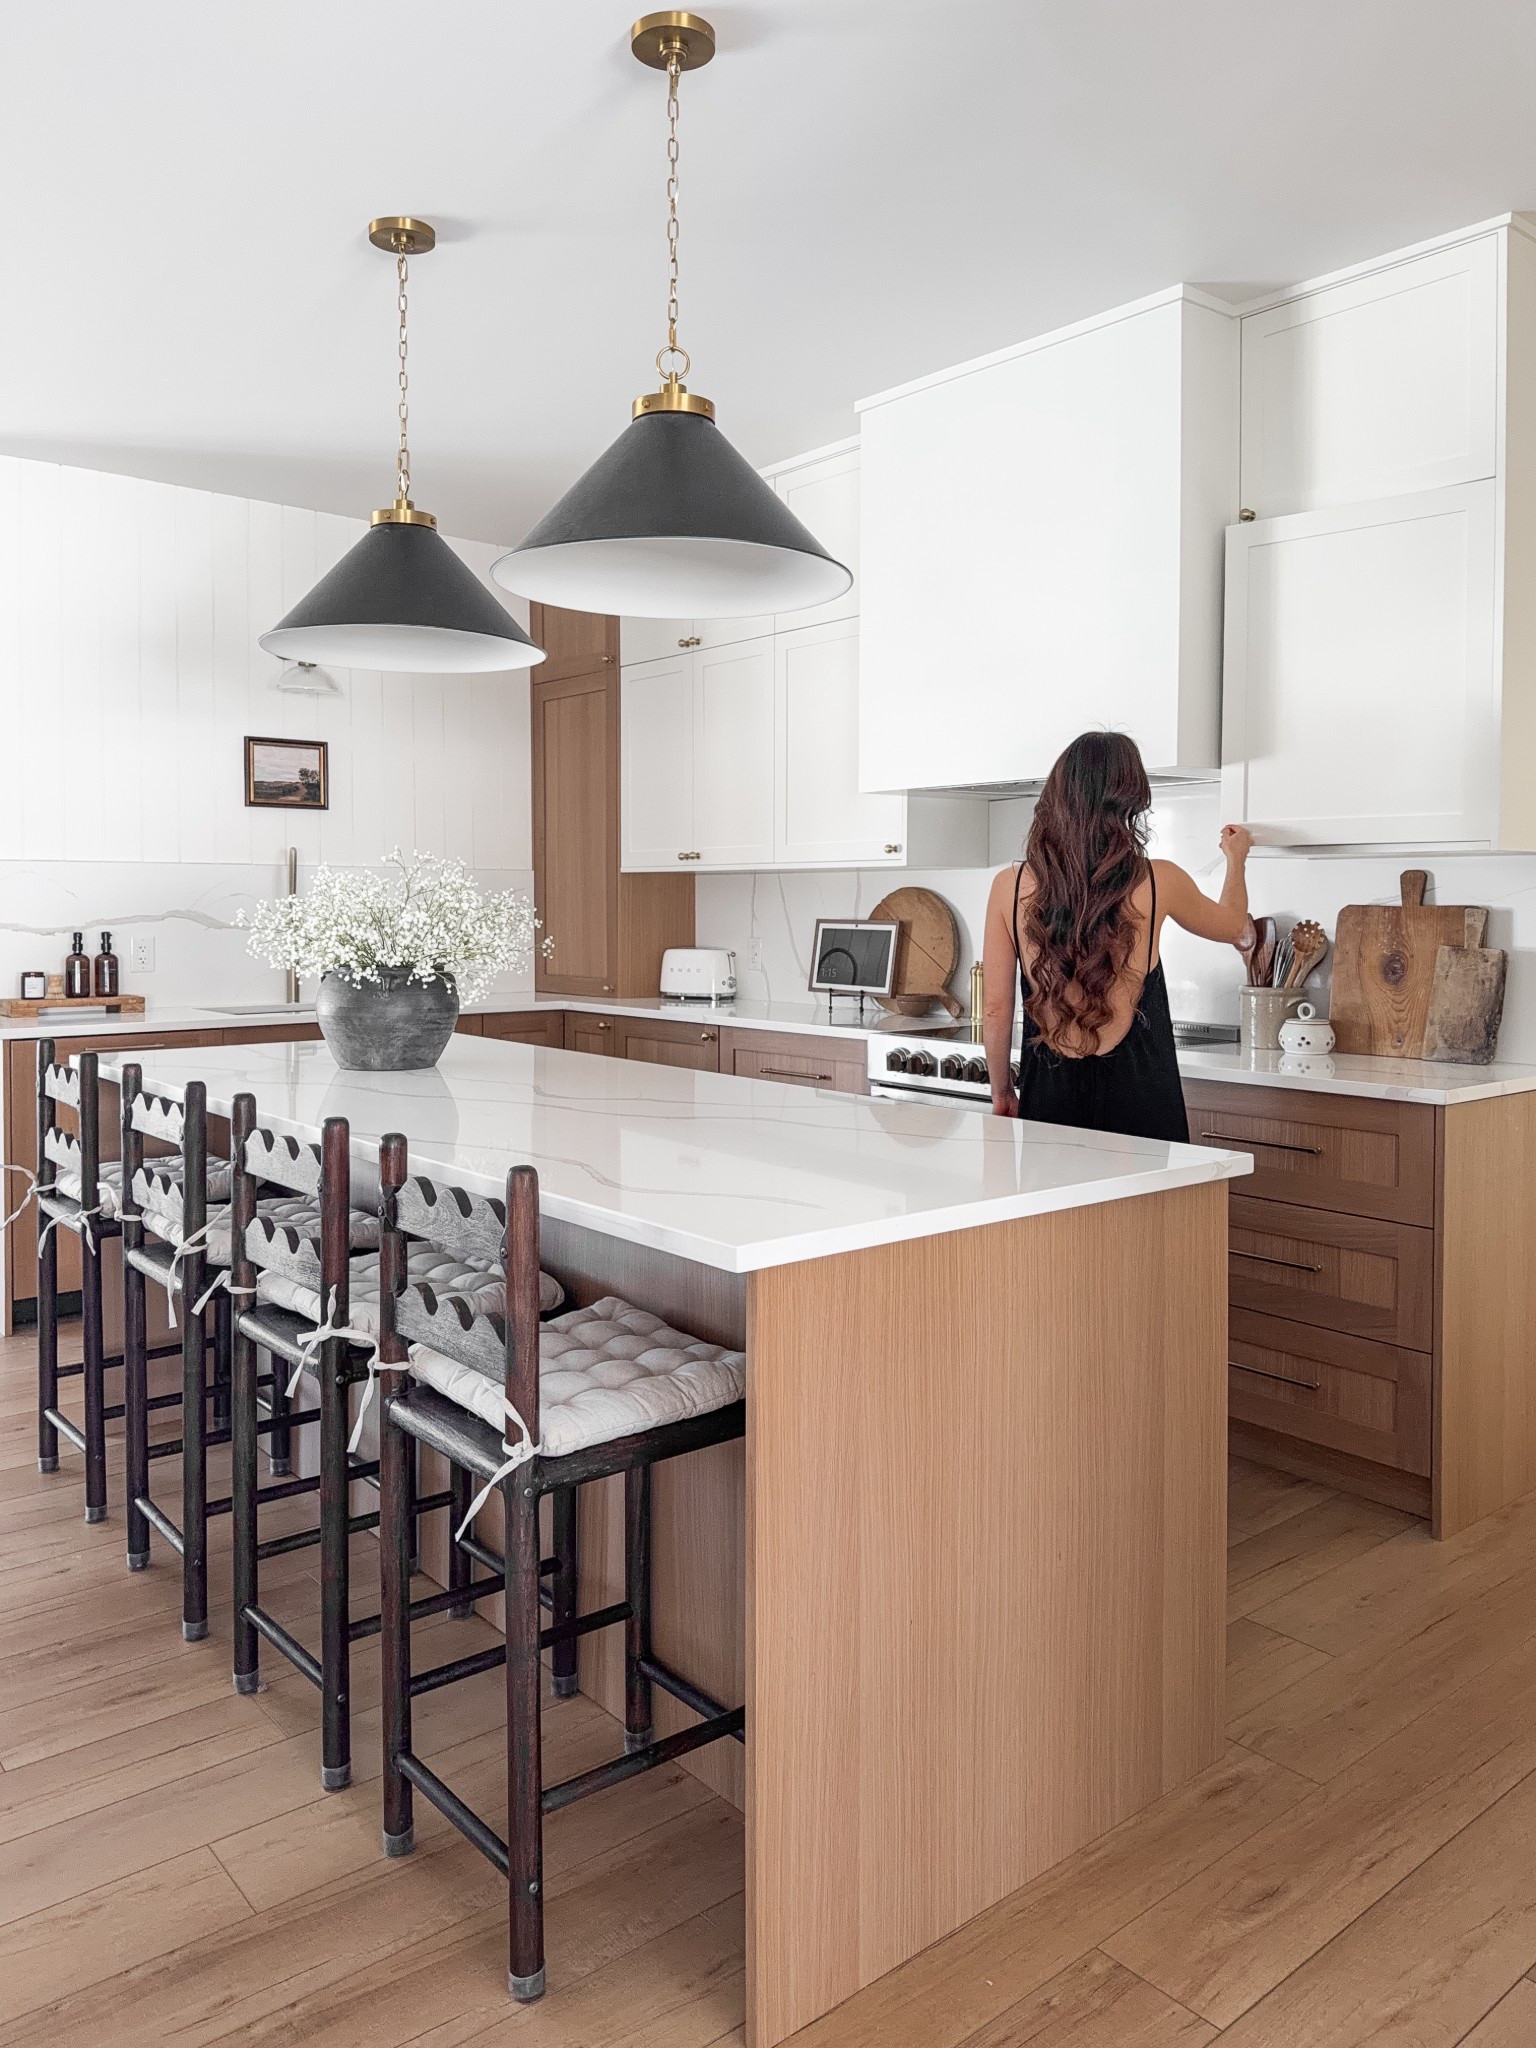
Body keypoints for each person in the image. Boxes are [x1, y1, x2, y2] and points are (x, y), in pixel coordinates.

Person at [981, 730, 1252, 1143]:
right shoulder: (1159, 879)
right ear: (1133, 799)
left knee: (1059, 1207)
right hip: (1141, 1100)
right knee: (1146, 1208)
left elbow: (997, 1009)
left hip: (1050, 1097)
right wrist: (1237, 860)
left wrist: (1002, 1091)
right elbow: (1237, 927)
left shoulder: (1010, 885)